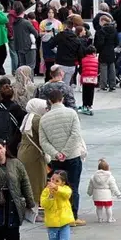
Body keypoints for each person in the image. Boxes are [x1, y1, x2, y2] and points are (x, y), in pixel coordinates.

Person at [39, 88, 88, 225]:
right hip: (72, 155)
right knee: (73, 186)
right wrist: (65, 152)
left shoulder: (44, 118)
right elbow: (75, 135)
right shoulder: (71, 113)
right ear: (63, 99)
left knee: (57, 186)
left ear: (49, 101)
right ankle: (73, 216)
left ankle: (61, 215)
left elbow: (43, 142)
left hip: (56, 159)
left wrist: (56, 153)